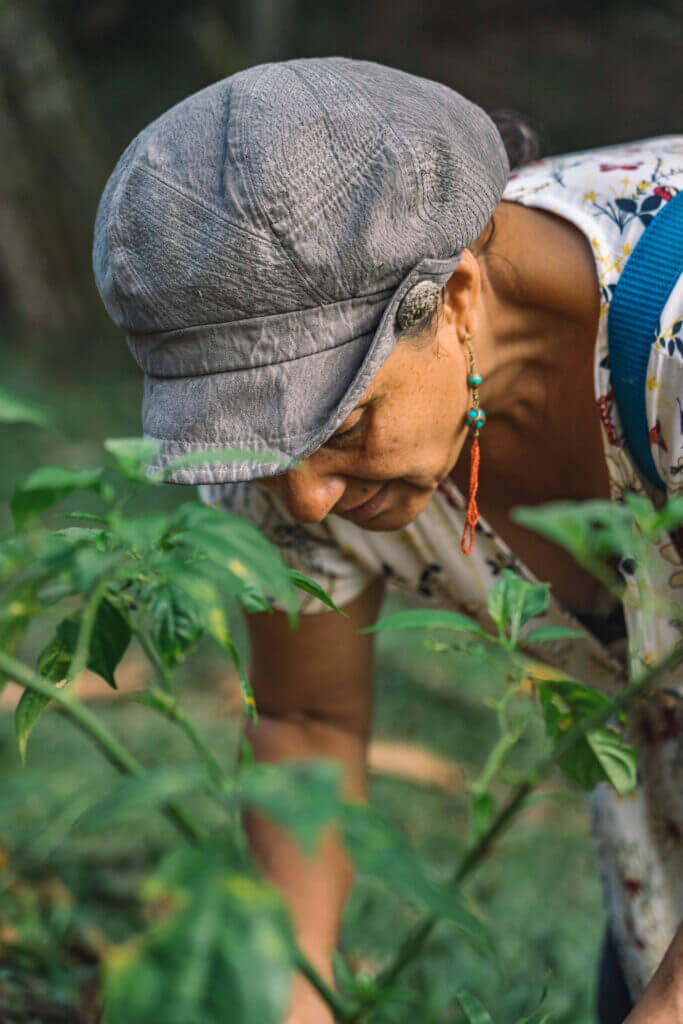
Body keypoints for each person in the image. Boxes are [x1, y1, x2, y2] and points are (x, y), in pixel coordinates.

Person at [92, 58, 683, 1024]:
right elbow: (305, 727)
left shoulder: (669, 340)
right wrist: (292, 998)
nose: (307, 497)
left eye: (336, 424)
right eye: (258, 437)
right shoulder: (285, 468)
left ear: (453, 299)